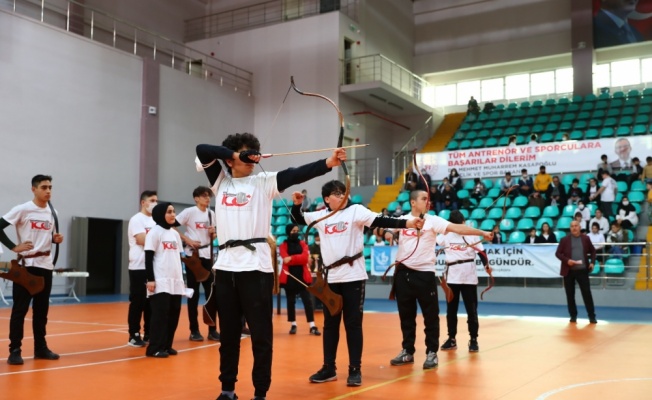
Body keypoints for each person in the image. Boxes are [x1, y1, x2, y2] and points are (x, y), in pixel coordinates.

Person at [196, 132, 347, 400]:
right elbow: (202, 149)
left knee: (261, 337)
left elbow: (295, 174)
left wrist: (328, 162)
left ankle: (260, 393)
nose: (252, 159)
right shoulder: (220, 182)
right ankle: (227, 390)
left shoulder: (263, 182)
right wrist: (233, 155)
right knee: (229, 336)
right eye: (247, 154)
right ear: (231, 159)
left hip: (256, 270)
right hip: (227, 267)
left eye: (254, 154)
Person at [290, 180, 424, 387]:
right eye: (336, 193)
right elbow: (298, 218)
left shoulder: (355, 211)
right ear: (326, 199)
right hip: (331, 278)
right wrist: (297, 204)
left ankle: (355, 369)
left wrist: (408, 223)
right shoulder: (321, 216)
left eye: (343, 192)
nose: (341, 195)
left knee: (352, 323)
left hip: (353, 276)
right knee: (330, 325)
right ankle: (329, 368)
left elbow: (381, 220)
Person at [388, 191, 493, 370]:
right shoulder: (403, 220)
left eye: (428, 199)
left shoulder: (433, 220)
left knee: (431, 316)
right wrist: (390, 232)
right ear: (413, 202)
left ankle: (432, 353)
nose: (427, 202)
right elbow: (383, 227)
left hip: (425, 274)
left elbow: (458, 228)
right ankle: (407, 351)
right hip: (403, 275)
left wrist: (481, 232)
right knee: (406, 316)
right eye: (423, 199)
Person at [0, 175, 64, 365]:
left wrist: (55, 240)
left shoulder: (53, 213)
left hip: (46, 265)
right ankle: (15, 350)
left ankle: (40, 348)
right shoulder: (23, 209)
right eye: (44, 187)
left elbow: (45, 236)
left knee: (41, 311)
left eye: (50, 187)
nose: (48, 191)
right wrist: (13, 247)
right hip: (27, 267)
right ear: (33, 189)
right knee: (19, 310)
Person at [438, 210, 492, 353]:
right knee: (451, 310)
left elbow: (481, 252)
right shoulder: (445, 234)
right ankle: (451, 339)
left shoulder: (472, 233)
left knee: (471, 310)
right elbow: (431, 240)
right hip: (452, 276)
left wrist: (486, 265)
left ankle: (473, 339)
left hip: (468, 275)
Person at [175, 186, 219, 342]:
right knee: (192, 295)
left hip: (207, 256)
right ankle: (194, 330)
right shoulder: (189, 212)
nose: (207, 198)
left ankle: (212, 330)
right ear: (196, 198)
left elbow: (212, 238)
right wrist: (188, 240)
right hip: (193, 257)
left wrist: (213, 234)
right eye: (204, 196)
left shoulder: (211, 213)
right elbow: (172, 225)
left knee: (211, 294)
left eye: (209, 196)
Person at [144, 203, 186, 358]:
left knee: (173, 314)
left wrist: (182, 279)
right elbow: (148, 258)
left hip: (175, 281)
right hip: (160, 280)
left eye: (174, 212)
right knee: (160, 316)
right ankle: (154, 348)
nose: (173, 214)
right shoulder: (154, 233)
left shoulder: (175, 234)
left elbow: (178, 258)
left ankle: (167, 346)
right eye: (169, 212)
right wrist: (150, 280)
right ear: (161, 214)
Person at [126, 190, 157, 347]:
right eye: (152, 200)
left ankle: (149, 333)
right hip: (138, 265)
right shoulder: (136, 220)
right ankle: (134, 334)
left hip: (153, 266)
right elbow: (141, 239)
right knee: (138, 301)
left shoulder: (156, 221)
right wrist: (159, 240)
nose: (154, 203)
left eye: (156, 200)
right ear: (143, 202)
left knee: (151, 302)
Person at [278, 223, 321, 336]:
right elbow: (285, 259)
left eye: (297, 231)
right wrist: (299, 258)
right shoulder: (283, 245)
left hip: (302, 276)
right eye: (293, 231)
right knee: (290, 301)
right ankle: (293, 324)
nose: (295, 233)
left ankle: (312, 326)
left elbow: (304, 259)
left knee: (308, 301)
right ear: (288, 232)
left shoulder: (303, 244)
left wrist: (291, 258)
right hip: (289, 277)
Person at [555, 220, 597, 324]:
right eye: (572, 226)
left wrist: (592, 262)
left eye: (576, 226)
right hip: (569, 272)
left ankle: (592, 316)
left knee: (587, 293)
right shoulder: (564, 240)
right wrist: (567, 260)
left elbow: (593, 251)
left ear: (580, 227)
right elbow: (558, 253)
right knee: (570, 295)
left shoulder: (586, 238)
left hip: (582, 271)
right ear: (570, 228)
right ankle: (573, 316)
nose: (574, 228)